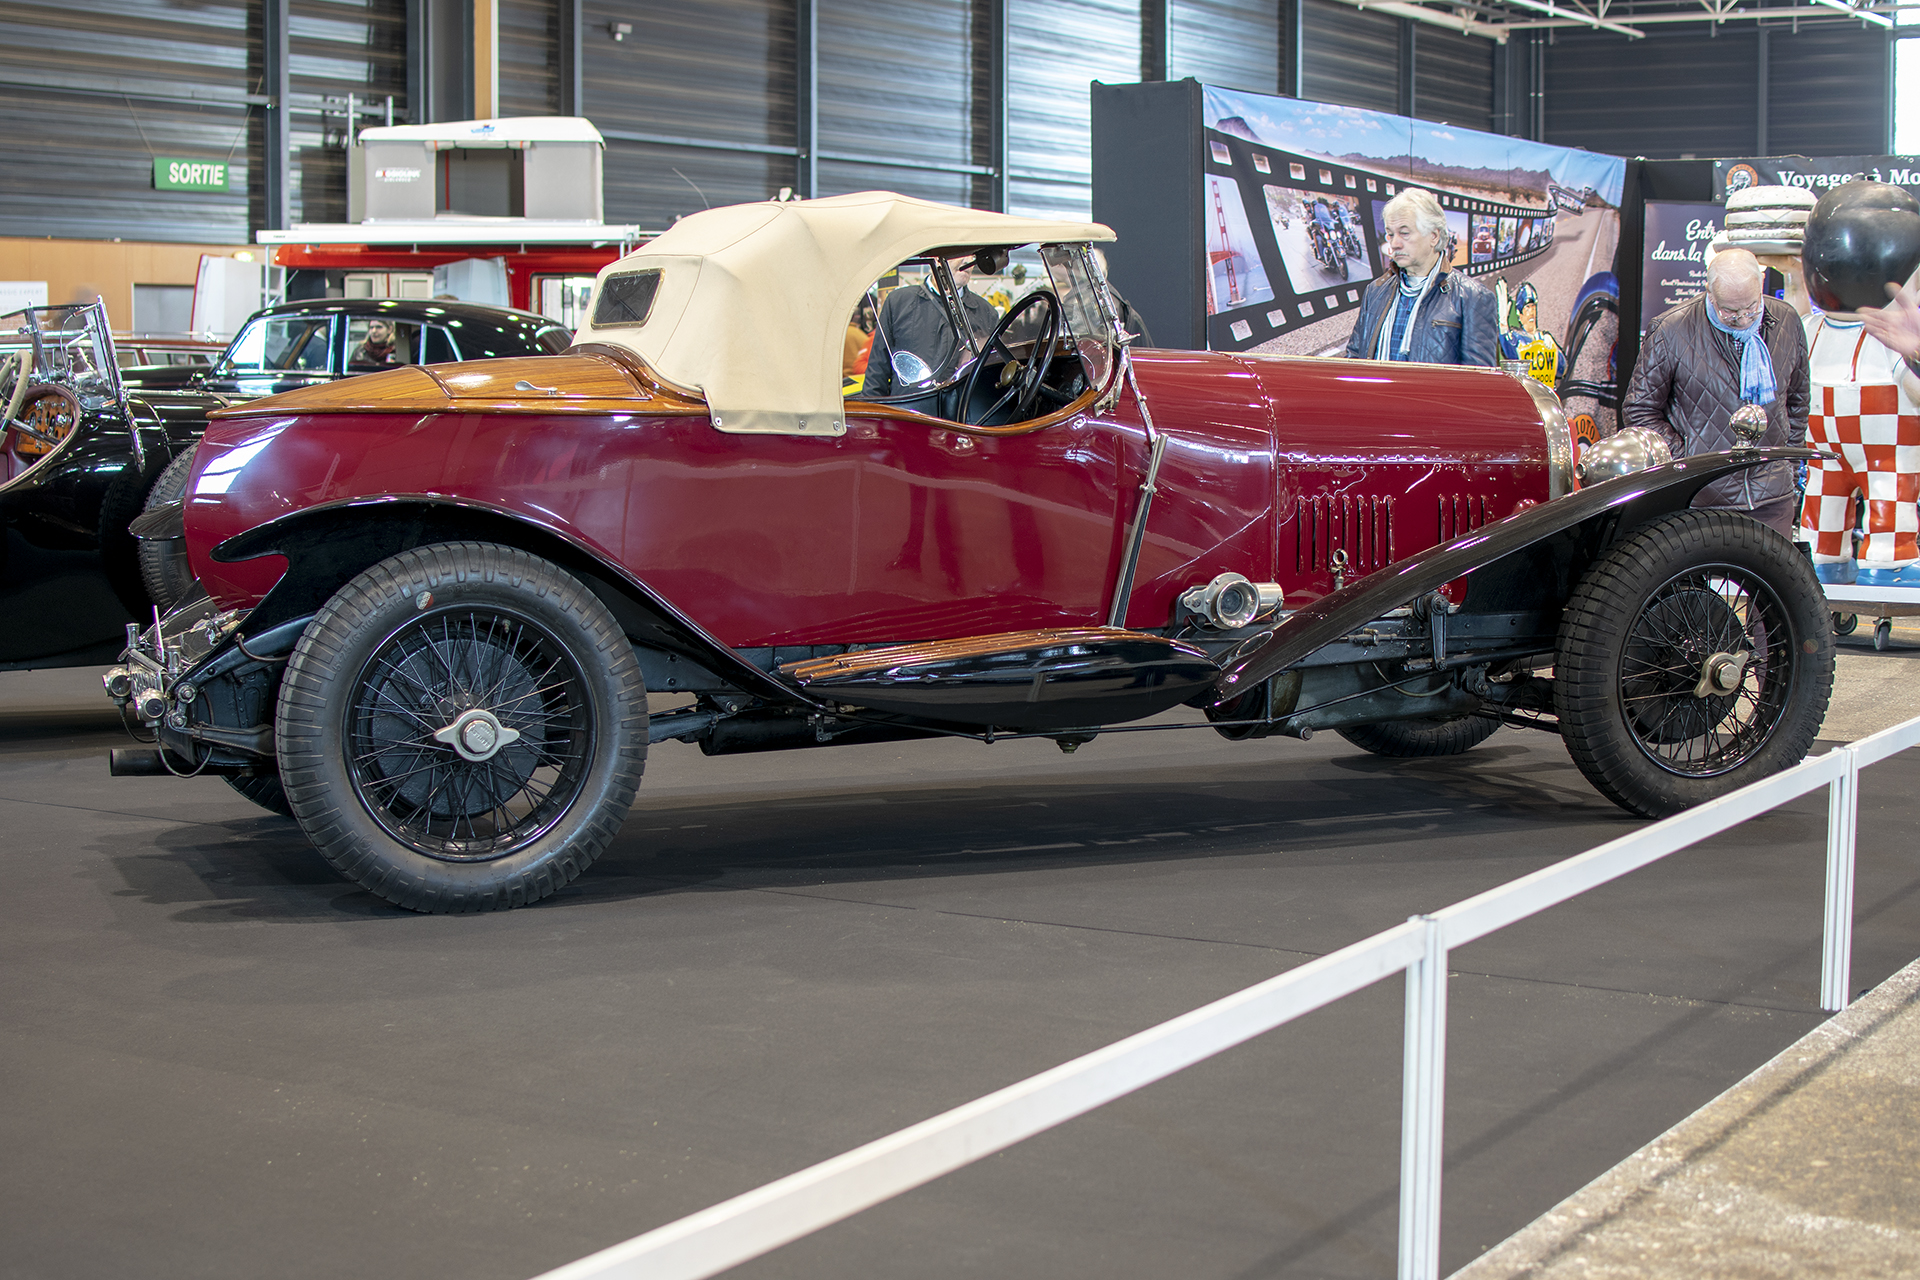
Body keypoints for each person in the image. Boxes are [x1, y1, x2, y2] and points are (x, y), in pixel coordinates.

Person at [1620, 247, 1810, 536]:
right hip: (1701, 498)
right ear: (1708, 291)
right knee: (1704, 582)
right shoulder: (1671, 330)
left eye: (1751, 308)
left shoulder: (1787, 320)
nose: (1744, 319)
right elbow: (1639, 409)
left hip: (1774, 497)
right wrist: (1686, 458)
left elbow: (1797, 401)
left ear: (1761, 284)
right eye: (1730, 311)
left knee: (1770, 582)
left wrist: (1790, 464)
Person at [1802, 276, 1920, 584]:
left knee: (1824, 491)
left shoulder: (1811, 327)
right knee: (1887, 485)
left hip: (1829, 439)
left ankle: (1822, 554)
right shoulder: (1890, 334)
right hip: (1882, 446)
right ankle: (1887, 557)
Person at [1344, 187, 1497, 367]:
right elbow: (1353, 359)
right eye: (1390, 234)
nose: (1394, 243)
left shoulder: (1473, 297)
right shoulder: (1375, 291)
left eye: (1405, 233)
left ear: (1433, 236)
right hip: (1377, 395)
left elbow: (1479, 382)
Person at [859, 256, 998, 397]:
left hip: (957, 416)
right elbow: (876, 374)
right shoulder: (898, 303)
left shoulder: (986, 313)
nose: (969, 261)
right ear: (937, 258)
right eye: (961, 253)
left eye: (973, 255)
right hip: (907, 414)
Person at [1498, 281, 1565, 389]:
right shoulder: (1518, 339)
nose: (1532, 312)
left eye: (1533, 307)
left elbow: (1562, 369)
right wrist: (1503, 324)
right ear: (1519, 314)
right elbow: (1509, 346)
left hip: (1547, 398)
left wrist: (1554, 349)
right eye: (1527, 308)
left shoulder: (1544, 338)